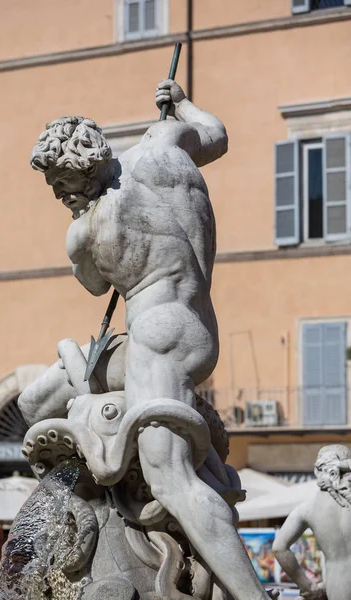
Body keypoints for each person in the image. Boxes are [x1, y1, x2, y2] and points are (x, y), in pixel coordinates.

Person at [23, 79, 272, 600]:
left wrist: (84, 224)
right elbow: (216, 135)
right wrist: (180, 103)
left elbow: (95, 286)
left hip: (157, 335)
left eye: (63, 183)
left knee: (171, 482)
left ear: (83, 172)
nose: (61, 195)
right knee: (39, 397)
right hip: (196, 325)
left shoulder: (86, 228)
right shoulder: (162, 147)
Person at [273, 444, 351, 600]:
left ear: (318, 471)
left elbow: (279, 548)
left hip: (339, 589)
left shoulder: (308, 509)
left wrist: (308, 586)